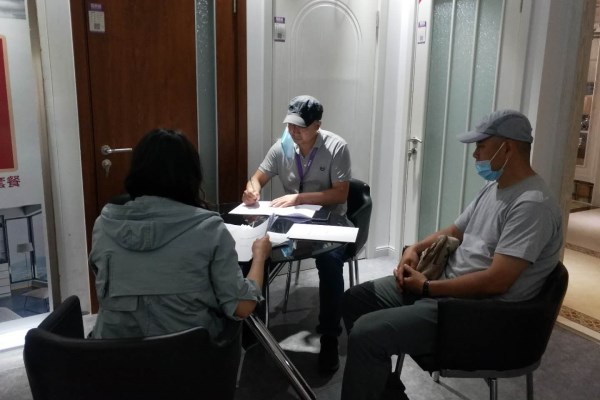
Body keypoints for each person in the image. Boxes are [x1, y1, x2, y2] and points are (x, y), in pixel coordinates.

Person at [340, 110, 563, 399]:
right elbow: (456, 230)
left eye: (481, 146)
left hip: (474, 314)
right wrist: (415, 249)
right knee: (354, 301)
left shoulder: (532, 204)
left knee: (367, 335)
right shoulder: (493, 188)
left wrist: (427, 287)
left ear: (507, 147)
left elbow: (497, 281)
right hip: (445, 290)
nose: (475, 155)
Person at [90, 128, 272, 340]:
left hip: (113, 353)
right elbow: (242, 307)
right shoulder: (209, 229)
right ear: (191, 176)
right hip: (189, 354)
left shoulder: (104, 225)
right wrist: (259, 256)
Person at [242, 95, 352, 372]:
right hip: (291, 221)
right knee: (255, 252)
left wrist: (299, 198)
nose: (293, 131)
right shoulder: (282, 146)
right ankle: (254, 327)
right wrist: (252, 190)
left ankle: (329, 337)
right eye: (290, 125)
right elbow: (257, 177)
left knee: (330, 261)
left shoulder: (337, 147)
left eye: (300, 127)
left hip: (330, 220)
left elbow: (340, 194)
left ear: (317, 125)